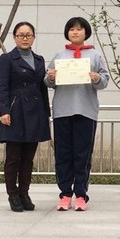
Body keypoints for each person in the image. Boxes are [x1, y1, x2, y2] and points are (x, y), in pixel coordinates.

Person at [45, 17, 109, 212]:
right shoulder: (59, 55)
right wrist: (50, 77)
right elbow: (48, 81)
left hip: (86, 110)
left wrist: (97, 78)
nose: (75, 32)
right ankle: (65, 193)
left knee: (83, 154)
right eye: (72, 29)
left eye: (79, 29)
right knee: (63, 154)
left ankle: (81, 194)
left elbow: (105, 80)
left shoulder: (95, 56)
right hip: (63, 111)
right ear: (67, 33)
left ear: (86, 32)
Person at [0, 21, 51, 212]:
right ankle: (13, 194)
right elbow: (1, 87)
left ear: (34, 37)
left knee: (28, 158)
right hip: (15, 112)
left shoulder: (39, 59)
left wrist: (46, 114)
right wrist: (4, 111)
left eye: (28, 35)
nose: (25, 38)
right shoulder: (7, 59)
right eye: (21, 35)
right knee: (13, 158)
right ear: (14, 37)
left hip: (36, 113)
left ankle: (24, 193)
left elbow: (43, 88)